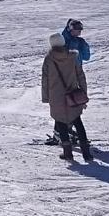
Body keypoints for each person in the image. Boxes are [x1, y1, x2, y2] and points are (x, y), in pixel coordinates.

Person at [41, 33, 92, 162]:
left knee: (61, 123)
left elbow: (45, 80)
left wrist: (46, 98)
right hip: (73, 94)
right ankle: (86, 153)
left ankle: (68, 153)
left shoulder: (49, 59)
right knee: (78, 122)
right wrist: (84, 93)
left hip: (56, 97)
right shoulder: (72, 56)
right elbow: (80, 75)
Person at [46, 19, 91, 144]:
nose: (79, 32)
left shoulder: (78, 41)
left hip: (75, 76)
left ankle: (67, 131)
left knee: (72, 103)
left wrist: (84, 46)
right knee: (63, 105)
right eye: (77, 30)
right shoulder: (62, 41)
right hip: (65, 77)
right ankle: (61, 133)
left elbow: (87, 57)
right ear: (70, 29)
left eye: (80, 30)